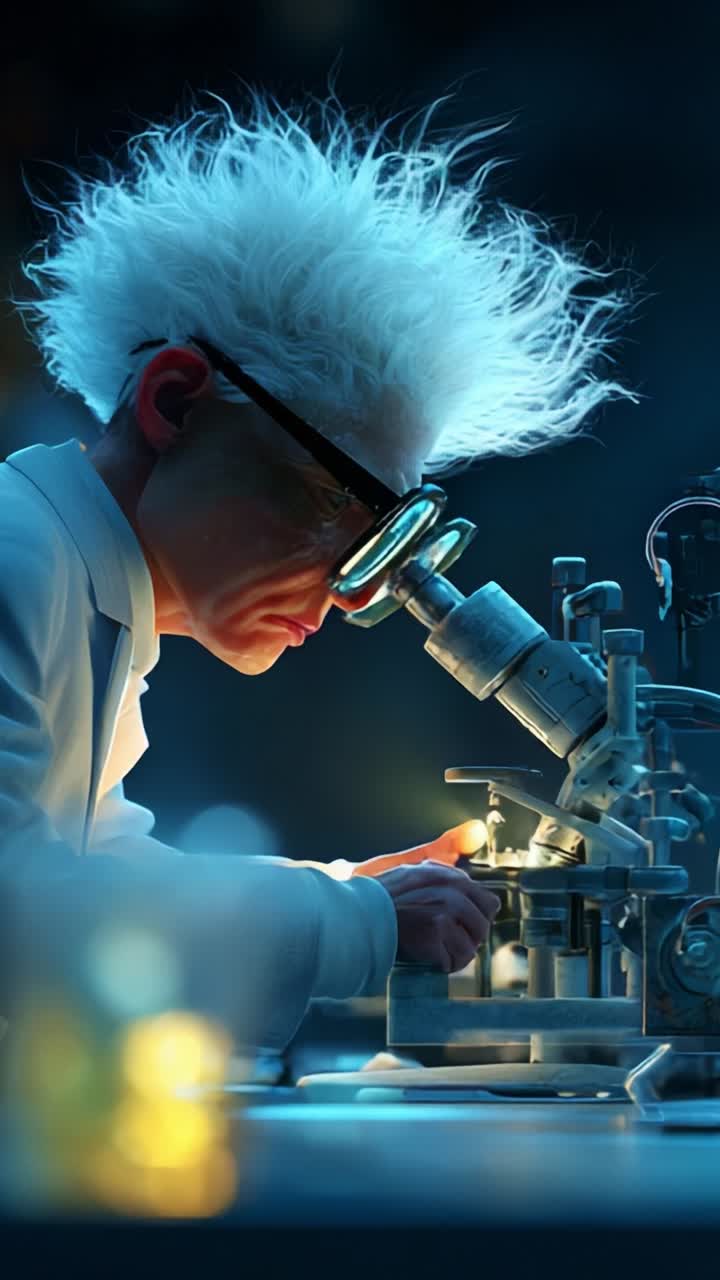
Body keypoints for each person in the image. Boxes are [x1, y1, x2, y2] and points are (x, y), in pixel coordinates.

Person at [1, 90, 633, 1053]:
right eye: (346, 507)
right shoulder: (18, 563)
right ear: (175, 402)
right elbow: (23, 915)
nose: (360, 587)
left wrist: (354, 895)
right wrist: (360, 925)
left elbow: (100, 867)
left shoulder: (83, 594)